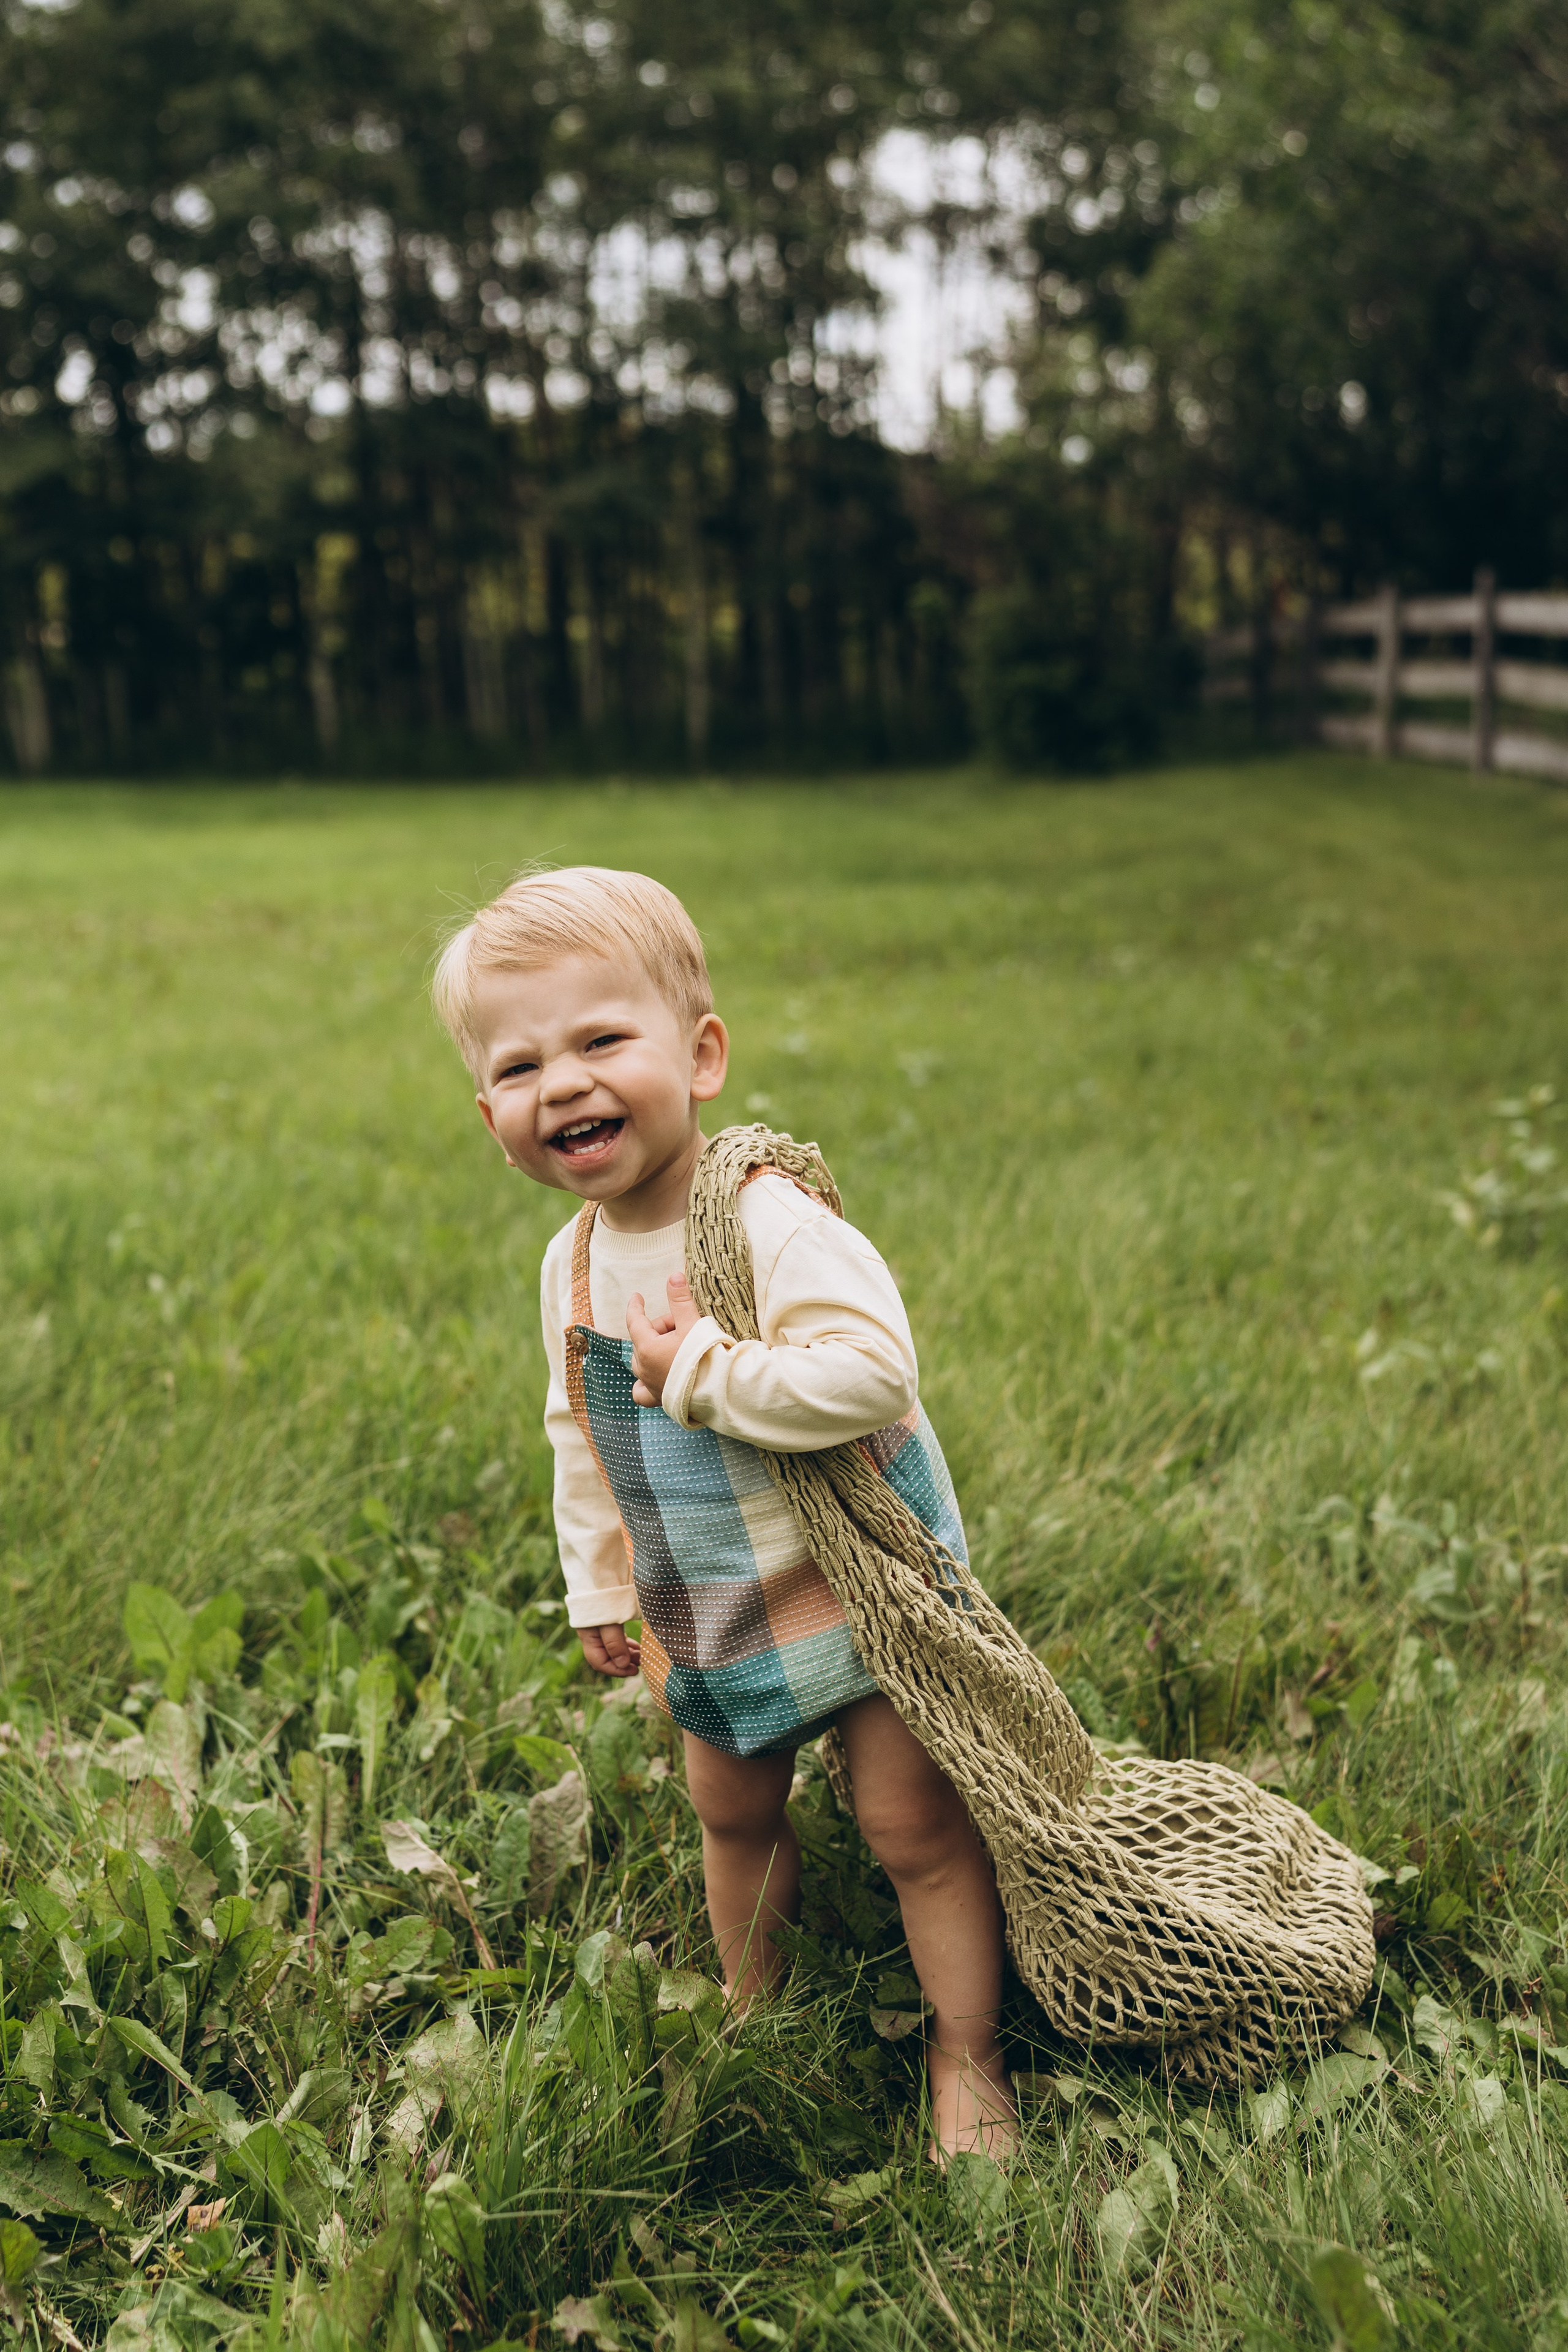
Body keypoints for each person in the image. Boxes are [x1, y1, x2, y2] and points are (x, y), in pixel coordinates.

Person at [431, 864, 1016, 2162]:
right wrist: (597, 1581)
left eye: (600, 1040)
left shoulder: (762, 1218)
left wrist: (702, 1372)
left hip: (861, 1582)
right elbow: (576, 1428)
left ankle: (967, 2051)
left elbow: (873, 1375)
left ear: (698, 1057)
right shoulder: (571, 1262)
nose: (566, 1083)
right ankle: (755, 2011)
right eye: (522, 1066)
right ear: (491, 1118)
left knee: (910, 1824)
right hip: (710, 1593)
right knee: (730, 1811)